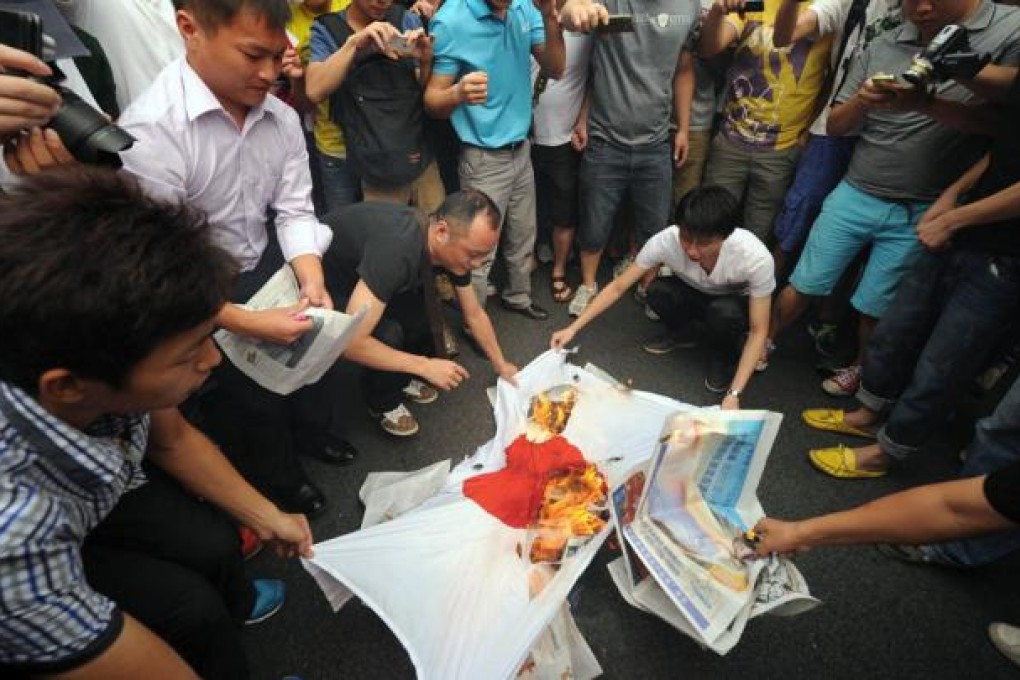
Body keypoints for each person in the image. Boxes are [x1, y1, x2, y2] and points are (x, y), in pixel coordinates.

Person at [0, 167, 313, 678]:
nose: (211, 362)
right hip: (45, 539)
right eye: (188, 354)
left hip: (95, 486)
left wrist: (265, 513)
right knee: (191, 612)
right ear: (68, 386)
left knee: (214, 543)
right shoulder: (13, 535)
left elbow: (171, 439)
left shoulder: (100, 353)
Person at [119, 0, 357, 518]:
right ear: (190, 29)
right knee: (250, 396)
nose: (271, 75)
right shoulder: (152, 134)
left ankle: (315, 433)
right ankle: (281, 478)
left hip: (265, 254)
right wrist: (242, 321)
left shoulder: (280, 118)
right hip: (195, 281)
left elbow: (294, 208)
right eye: (253, 55)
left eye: (279, 56)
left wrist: (309, 276)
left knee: (309, 350)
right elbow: (158, 271)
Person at [764, 0, 1020, 397]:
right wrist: (865, 99)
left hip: (921, 203)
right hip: (858, 188)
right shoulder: (883, 44)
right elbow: (835, 125)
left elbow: (1000, 128)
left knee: (875, 307)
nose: (920, 8)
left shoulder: (1003, 34)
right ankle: (765, 339)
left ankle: (861, 371)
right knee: (805, 281)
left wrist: (930, 103)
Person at [801, 65, 1020, 480]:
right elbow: (1003, 145)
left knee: (944, 361)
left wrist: (956, 219)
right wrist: (953, 196)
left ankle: (887, 452)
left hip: (1004, 253)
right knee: (899, 327)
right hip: (957, 226)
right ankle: (867, 413)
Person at [551, 186, 774, 405]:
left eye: (704, 243)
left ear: (725, 236)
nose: (692, 251)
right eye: (686, 238)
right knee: (657, 291)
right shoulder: (666, 240)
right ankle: (686, 332)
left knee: (724, 313)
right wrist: (573, 328)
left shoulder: (754, 257)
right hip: (692, 290)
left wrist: (734, 395)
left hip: (732, 302)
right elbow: (618, 286)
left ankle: (724, 356)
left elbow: (759, 330)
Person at [327, 188, 520, 436]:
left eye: (484, 255)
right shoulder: (397, 250)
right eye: (473, 254)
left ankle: (401, 377)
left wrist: (501, 364)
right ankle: (382, 402)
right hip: (328, 285)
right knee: (388, 334)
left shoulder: (449, 243)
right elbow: (350, 343)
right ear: (441, 231)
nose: (477, 264)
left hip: (367, 275)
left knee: (423, 318)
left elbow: (474, 313)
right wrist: (424, 366)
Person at [424, 0, 566, 320]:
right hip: (483, 156)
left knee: (523, 234)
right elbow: (432, 100)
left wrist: (549, 17)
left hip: (521, 146)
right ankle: (475, 322)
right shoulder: (451, 20)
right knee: (477, 252)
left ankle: (518, 296)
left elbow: (556, 69)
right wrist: (457, 93)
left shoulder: (525, 8)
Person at [566, 0, 699, 318]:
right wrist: (573, 9)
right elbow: (569, 14)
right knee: (595, 221)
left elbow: (683, 69)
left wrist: (683, 128)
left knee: (653, 226)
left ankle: (646, 286)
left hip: (656, 139)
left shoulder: (689, 5)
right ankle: (588, 285)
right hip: (605, 136)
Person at [699, 0, 845, 244]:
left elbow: (832, 80)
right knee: (712, 224)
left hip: (781, 146)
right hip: (731, 139)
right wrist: (717, 11)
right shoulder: (755, 2)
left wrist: (807, 132)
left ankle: (742, 282)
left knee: (758, 232)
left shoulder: (828, 10)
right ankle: (705, 281)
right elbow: (708, 48)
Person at [305, 0, 446, 212]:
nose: (383, 2)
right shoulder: (329, 28)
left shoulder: (406, 19)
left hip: (407, 146)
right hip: (349, 151)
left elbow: (423, 90)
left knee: (432, 224)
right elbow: (315, 90)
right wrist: (354, 44)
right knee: (359, 234)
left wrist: (426, 61)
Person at [530, 29, 594, 305]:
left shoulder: (585, 24)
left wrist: (584, 120)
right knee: (525, 205)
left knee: (564, 209)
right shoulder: (522, 14)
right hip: (521, 132)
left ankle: (559, 269)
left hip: (563, 135)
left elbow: (594, 77)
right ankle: (528, 257)